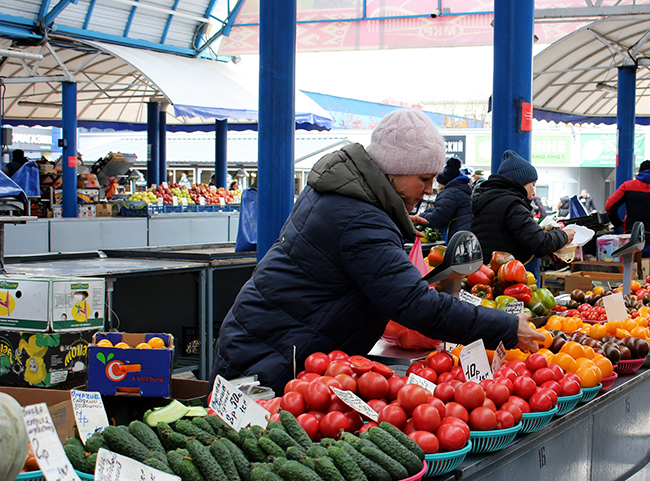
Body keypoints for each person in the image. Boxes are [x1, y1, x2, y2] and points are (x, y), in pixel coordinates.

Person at [211, 109, 543, 394]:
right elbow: (414, 305)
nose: (430, 190)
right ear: (394, 169)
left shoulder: (345, 194)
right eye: (424, 178)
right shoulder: (359, 218)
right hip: (271, 357)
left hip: (267, 342)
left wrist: (393, 219)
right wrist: (506, 326)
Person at [471, 150, 575, 280]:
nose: (534, 190)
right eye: (533, 185)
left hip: (483, 274)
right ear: (521, 182)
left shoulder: (489, 200)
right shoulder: (513, 205)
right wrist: (564, 235)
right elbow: (540, 244)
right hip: (505, 277)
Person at [604, 160, 650, 258]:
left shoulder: (627, 186)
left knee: (631, 268)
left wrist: (618, 224)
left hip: (631, 237)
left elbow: (610, 205)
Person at [420, 157, 472, 241]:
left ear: (443, 182)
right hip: (467, 234)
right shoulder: (462, 190)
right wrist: (428, 211)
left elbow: (438, 219)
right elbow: (445, 209)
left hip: (458, 237)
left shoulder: (449, 193)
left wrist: (421, 216)